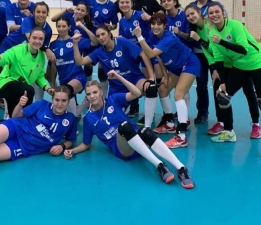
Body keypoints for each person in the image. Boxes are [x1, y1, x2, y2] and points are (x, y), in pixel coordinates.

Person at [63, 74, 194, 189]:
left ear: (101, 92)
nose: (92, 96)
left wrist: (119, 77)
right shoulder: (88, 119)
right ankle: (159, 165)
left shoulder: (113, 100)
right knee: (125, 126)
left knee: (145, 131)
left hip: (139, 142)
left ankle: (181, 168)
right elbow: (86, 144)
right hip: (123, 149)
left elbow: (136, 93)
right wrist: (72, 151)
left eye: (95, 92)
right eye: (88, 94)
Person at [206, 2, 261, 158]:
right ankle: (229, 132)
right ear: (208, 16)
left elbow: (243, 49)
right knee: (222, 97)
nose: (214, 15)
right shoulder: (212, 34)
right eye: (211, 13)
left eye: (217, 11)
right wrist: (223, 82)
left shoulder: (235, 25)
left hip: (257, 63)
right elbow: (218, 59)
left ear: (223, 13)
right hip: (240, 66)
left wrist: (221, 41)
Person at [185, 4, 261, 139]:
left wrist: (199, 40)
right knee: (218, 92)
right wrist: (214, 68)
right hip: (222, 64)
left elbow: (213, 47)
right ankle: (223, 123)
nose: (191, 17)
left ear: (200, 12)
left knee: (249, 91)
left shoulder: (210, 26)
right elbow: (209, 52)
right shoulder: (196, 29)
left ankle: (256, 124)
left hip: (238, 63)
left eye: (193, 13)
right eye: (188, 15)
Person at [133, 12, 200, 148]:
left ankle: (181, 136)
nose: (156, 26)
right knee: (163, 89)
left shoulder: (169, 37)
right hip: (175, 68)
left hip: (189, 63)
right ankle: (169, 124)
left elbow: (151, 53)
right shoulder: (152, 36)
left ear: (165, 25)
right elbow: (159, 57)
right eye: (153, 24)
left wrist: (139, 36)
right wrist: (165, 75)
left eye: (159, 24)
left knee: (178, 94)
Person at [72, 26, 155, 109]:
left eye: (103, 34)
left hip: (135, 80)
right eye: (98, 36)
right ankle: (125, 104)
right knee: (111, 112)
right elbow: (80, 62)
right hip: (117, 87)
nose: (101, 37)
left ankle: (142, 113)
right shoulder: (99, 52)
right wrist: (75, 44)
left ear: (109, 34)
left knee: (151, 88)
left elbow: (143, 54)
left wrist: (151, 77)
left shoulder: (122, 42)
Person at [63, 0, 119, 94]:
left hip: (103, 41)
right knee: (87, 68)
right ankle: (89, 95)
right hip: (90, 41)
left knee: (102, 72)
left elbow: (115, 24)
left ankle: (103, 98)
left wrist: (111, 27)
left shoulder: (111, 5)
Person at [0, 28, 55, 118]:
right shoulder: (17, 50)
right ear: (29, 38)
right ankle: (23, 118)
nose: (37, 41)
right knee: (29, 91)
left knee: (14, 116)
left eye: (41, 39)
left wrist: (48, 88)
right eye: (34, 38)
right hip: (6, 83)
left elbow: (39, 76)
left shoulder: (41, 56)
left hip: (21, 88)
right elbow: (2, 59)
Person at [116, 0, 159, 122]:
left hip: (147, 52)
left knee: (150, 82)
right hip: (133, 54)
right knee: (131, 78)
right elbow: (123, 40)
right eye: (122, 2)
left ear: (132, 4)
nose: (124, 5)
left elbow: (157, 24)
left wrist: (150, 17)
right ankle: (134, 106)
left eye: (127, 2)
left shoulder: (141, 15)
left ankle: (151, 114)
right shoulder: (122, 21)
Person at [189, 0, 226, 124]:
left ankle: (221, 118)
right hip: (198, 53)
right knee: (201, 84)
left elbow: (223, 24)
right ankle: (202, 113)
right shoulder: (191, 8)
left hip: (215, 53)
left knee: (218, 84)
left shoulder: (215, 7)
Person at [50, 16, 98, 114]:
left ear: (69, 27)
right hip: (63, 79)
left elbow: (95, 42)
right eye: (59, 26)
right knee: (68, 110)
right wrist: (53, 85)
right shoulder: (53, 45)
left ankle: (82, 106)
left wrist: (83, 27)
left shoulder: (76, 40)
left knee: (66, 91)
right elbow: (53, 66)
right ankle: (79, 108)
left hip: (77, 77)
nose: (61, 29)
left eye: (64, 26)